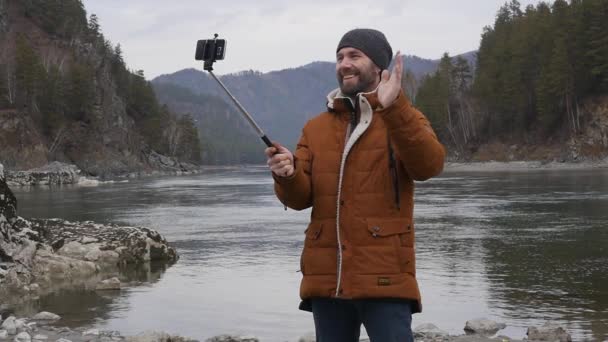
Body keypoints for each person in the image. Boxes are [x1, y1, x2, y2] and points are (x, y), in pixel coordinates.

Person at [265, 28, 445, 342]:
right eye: (339, 57)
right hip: (327, 278)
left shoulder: (403, 117)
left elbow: (428, 165)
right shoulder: (315, 128)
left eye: (354, 56)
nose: (344, 64)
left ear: (378, 66)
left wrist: (394, 107)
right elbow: (300, 198)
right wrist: (288, 174)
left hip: (385, 275)